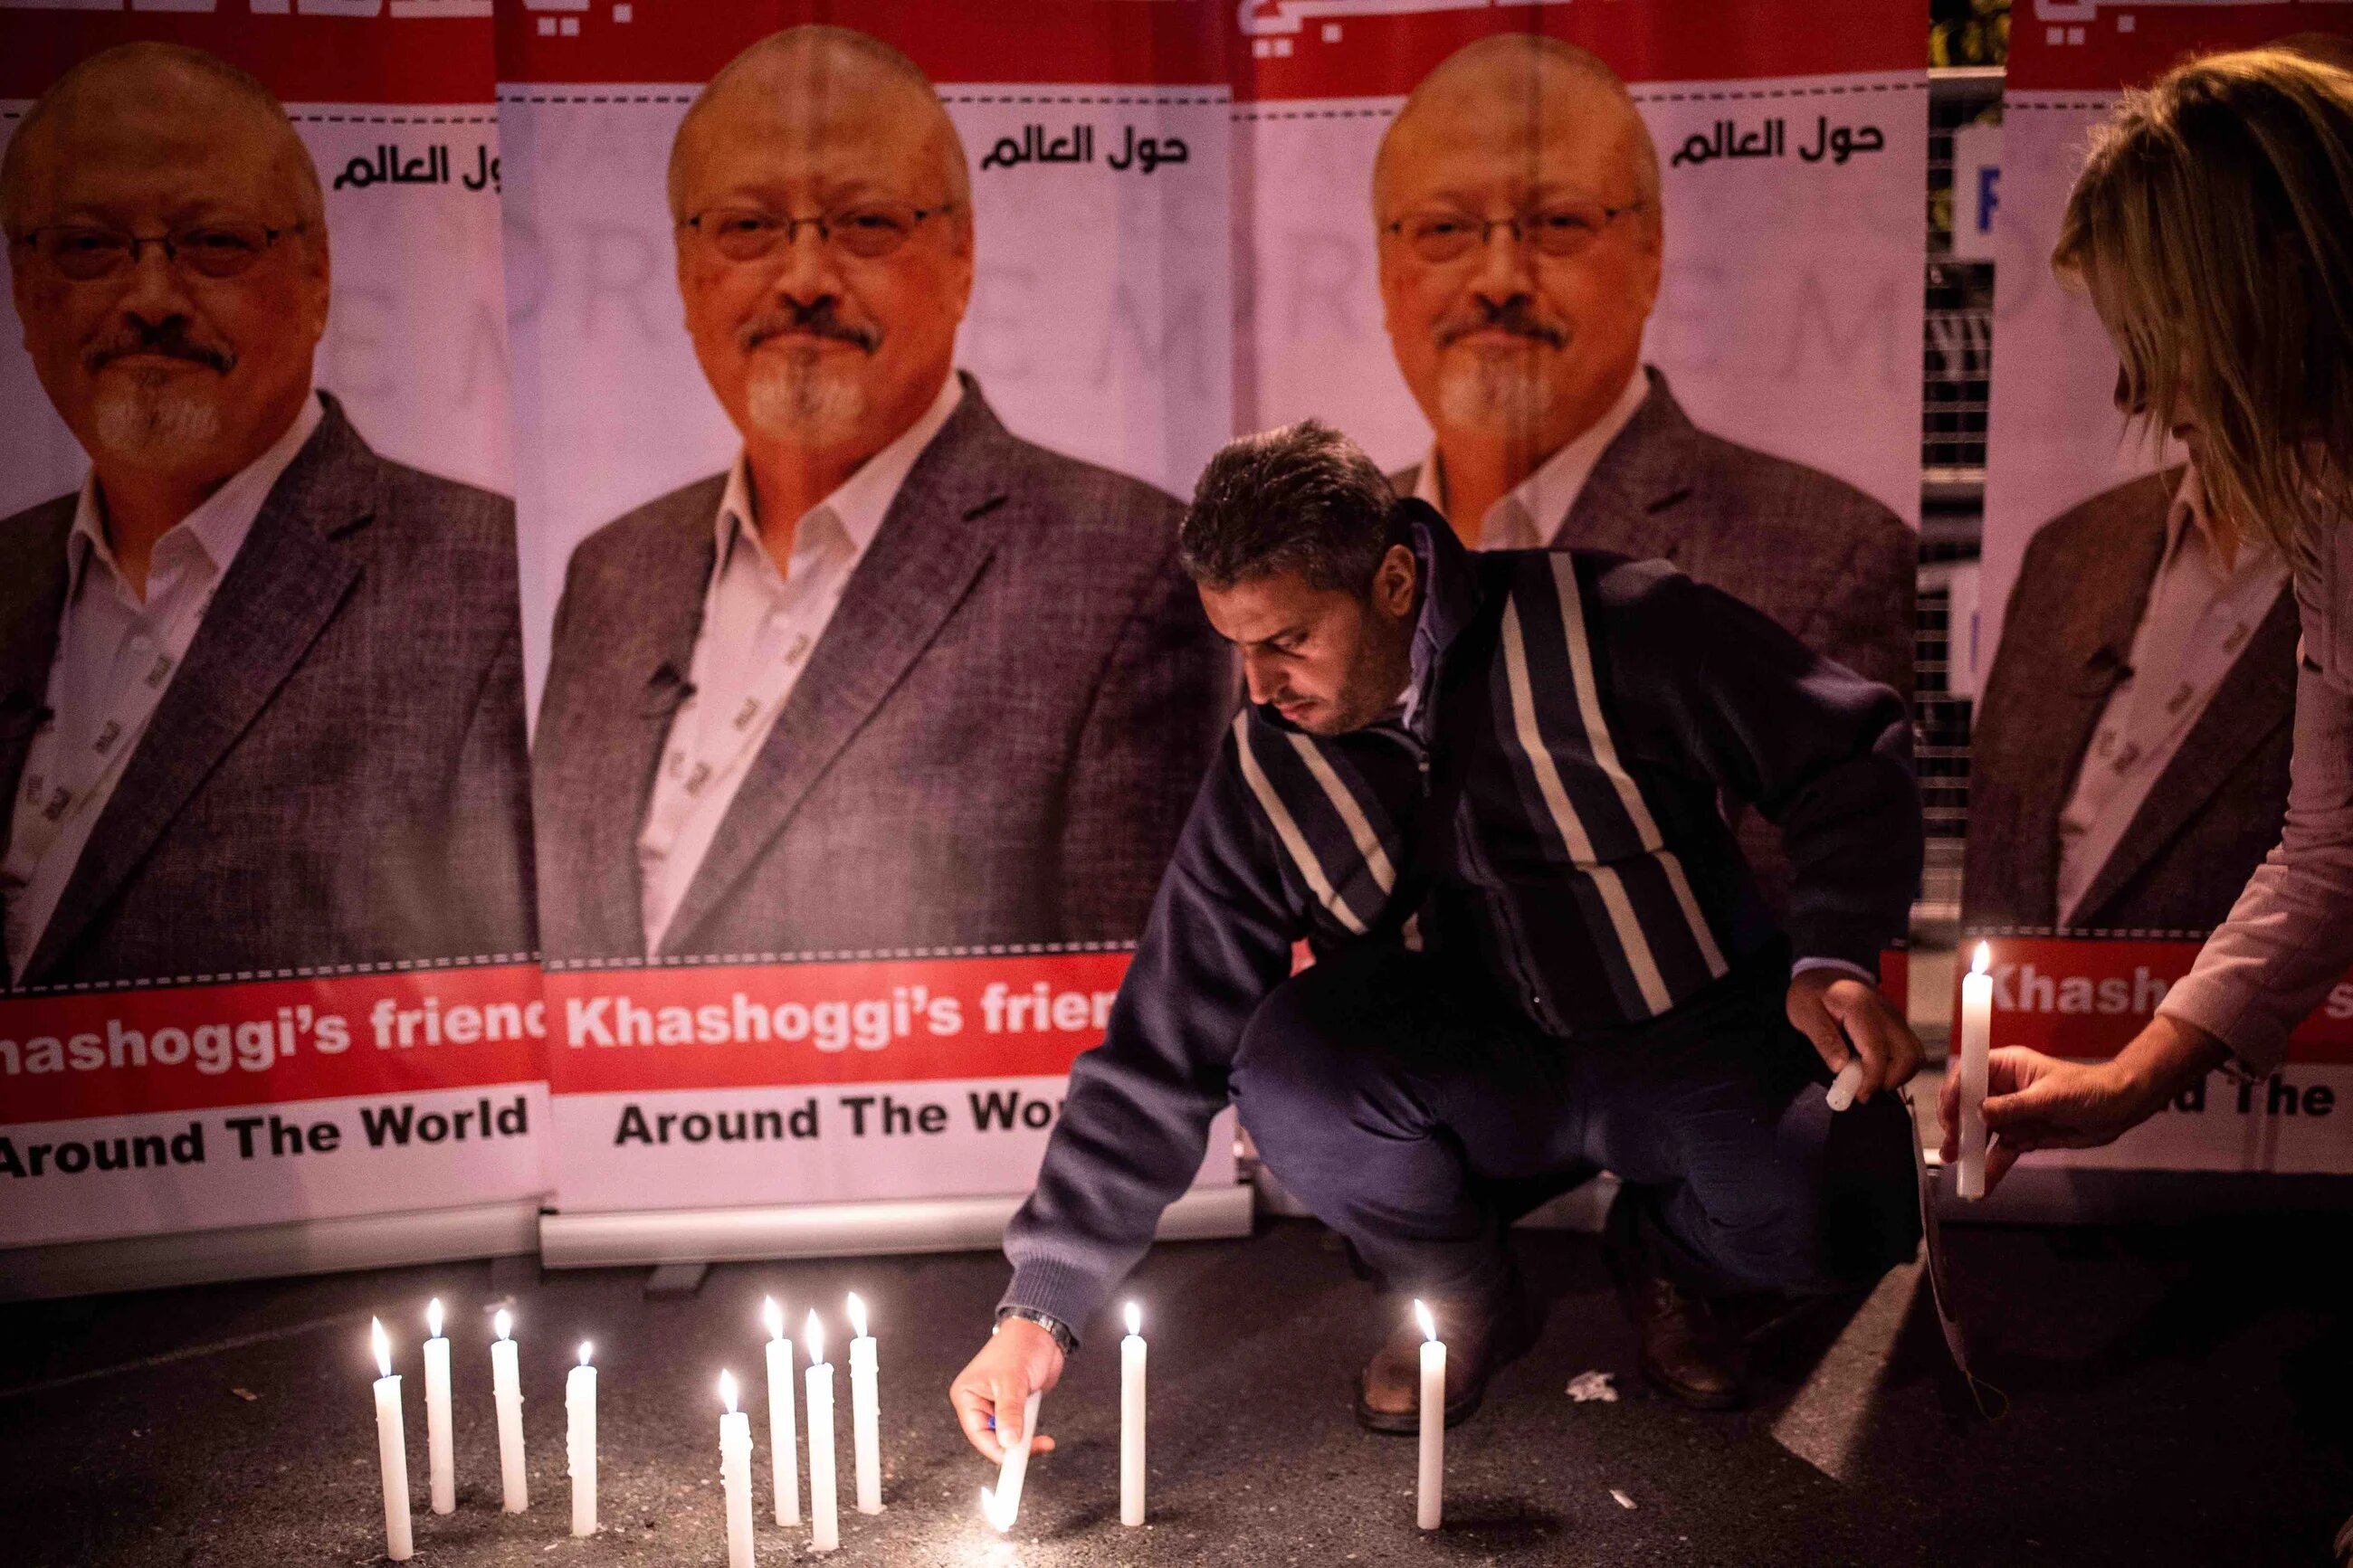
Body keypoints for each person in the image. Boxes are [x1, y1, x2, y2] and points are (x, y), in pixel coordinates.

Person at [949, 420, 1924, 1457]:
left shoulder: (1613, 619)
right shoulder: (1266, 760)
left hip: (1689, 1041)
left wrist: (1835, 953)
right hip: (1474, 1081)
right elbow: (1162, 1045)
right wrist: (1036, 1309)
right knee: (1286, 1067)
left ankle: (1669, 1250)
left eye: (1287, 639)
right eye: (1237, 646)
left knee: (1844, 1195)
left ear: (1396, 584)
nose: (1260, 685)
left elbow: (1849, 751)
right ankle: (1452, 1290)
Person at [530, 25, 1231, 964]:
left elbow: (1139, 1031)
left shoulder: (1126, 571)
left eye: (865, 222)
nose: (805, 279)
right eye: (747, 226)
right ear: (686, 269)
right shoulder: (613, 571)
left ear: (960, 256)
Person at [0, 42, 534, 988]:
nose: (151, 299)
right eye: (88, 245)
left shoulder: (494, 587)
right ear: (22, 287)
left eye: (214, 243)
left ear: (317, 277)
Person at [1371, 33, 1918, 912]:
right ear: (1384, 264)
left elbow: (1790, 940)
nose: (1498, 278)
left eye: (1557, 223)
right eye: (1442, 229)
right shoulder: (1324, 554)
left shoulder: (1824, 556)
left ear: (1651, 253)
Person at [1941, 49, 2353, 1186]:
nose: (2131, 397)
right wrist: (2128, 1077)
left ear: (2277, 271)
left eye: (2158, 335)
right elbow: (2330, 847)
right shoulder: (2327, 500)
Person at [1966, 455, 2296, 934]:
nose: (2136, 391)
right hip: (2033, 986)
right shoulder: (2076, 543)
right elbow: (2000, 826)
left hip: (2249, 995)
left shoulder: (2335, 545)